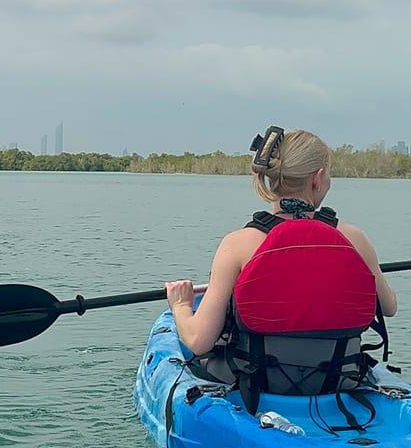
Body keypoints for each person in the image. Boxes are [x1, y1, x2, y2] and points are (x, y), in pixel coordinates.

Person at [164, 126, 398, 417]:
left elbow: (199, 341)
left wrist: (181, 305)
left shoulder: (238, 244)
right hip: (339, 384)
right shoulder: (354, 239)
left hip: (259, 388)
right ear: (318, 178)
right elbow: (389, 307)